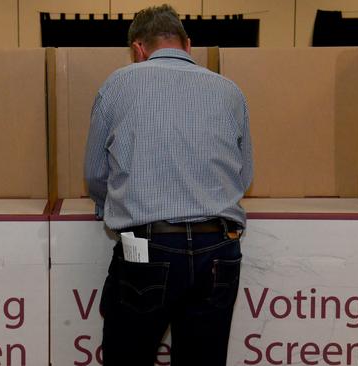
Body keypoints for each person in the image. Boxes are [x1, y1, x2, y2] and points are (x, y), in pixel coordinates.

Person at [84, 4, 252, 366]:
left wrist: (108, 205)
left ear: (138, 49)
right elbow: (244, 176)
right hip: (220, 249)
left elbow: (95, 174)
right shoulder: (230, 91)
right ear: (188, 45)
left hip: (148, 247)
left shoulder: (118, 84)